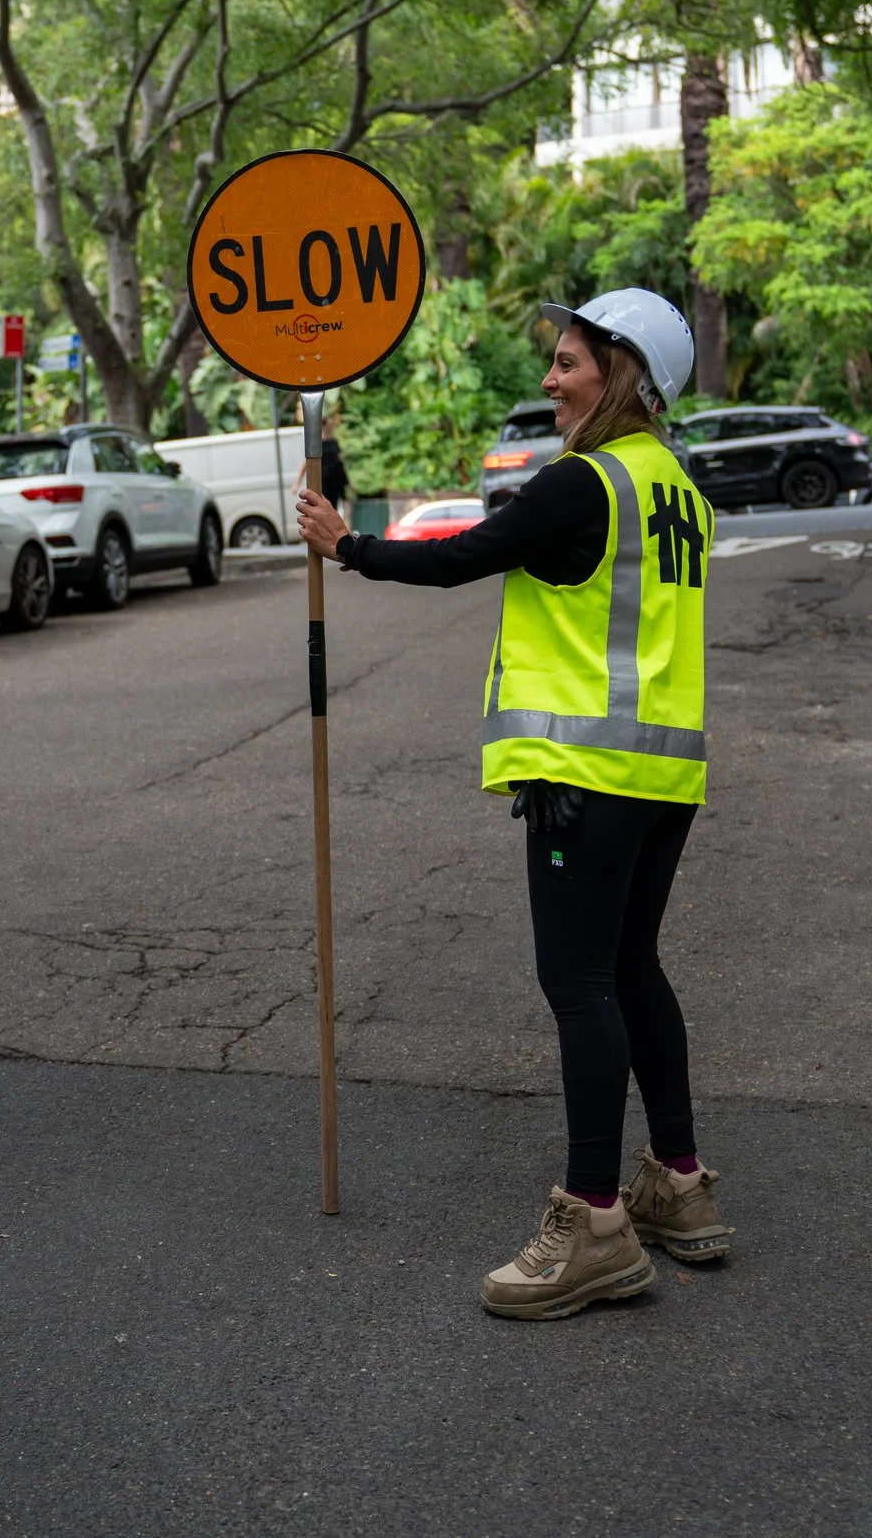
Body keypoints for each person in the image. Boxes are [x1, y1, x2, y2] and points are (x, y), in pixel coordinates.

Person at [297, 289, 732, 1322]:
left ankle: (591, 1226)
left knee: (580, 981)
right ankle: (678, 1184)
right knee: (632, 968)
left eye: (571, 361)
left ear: (623, 373)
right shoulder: (677, 487)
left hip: (585, 770)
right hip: (664, 773)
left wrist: (345, 545)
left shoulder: (585, 483)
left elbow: (458, 557)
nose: (551, 378)